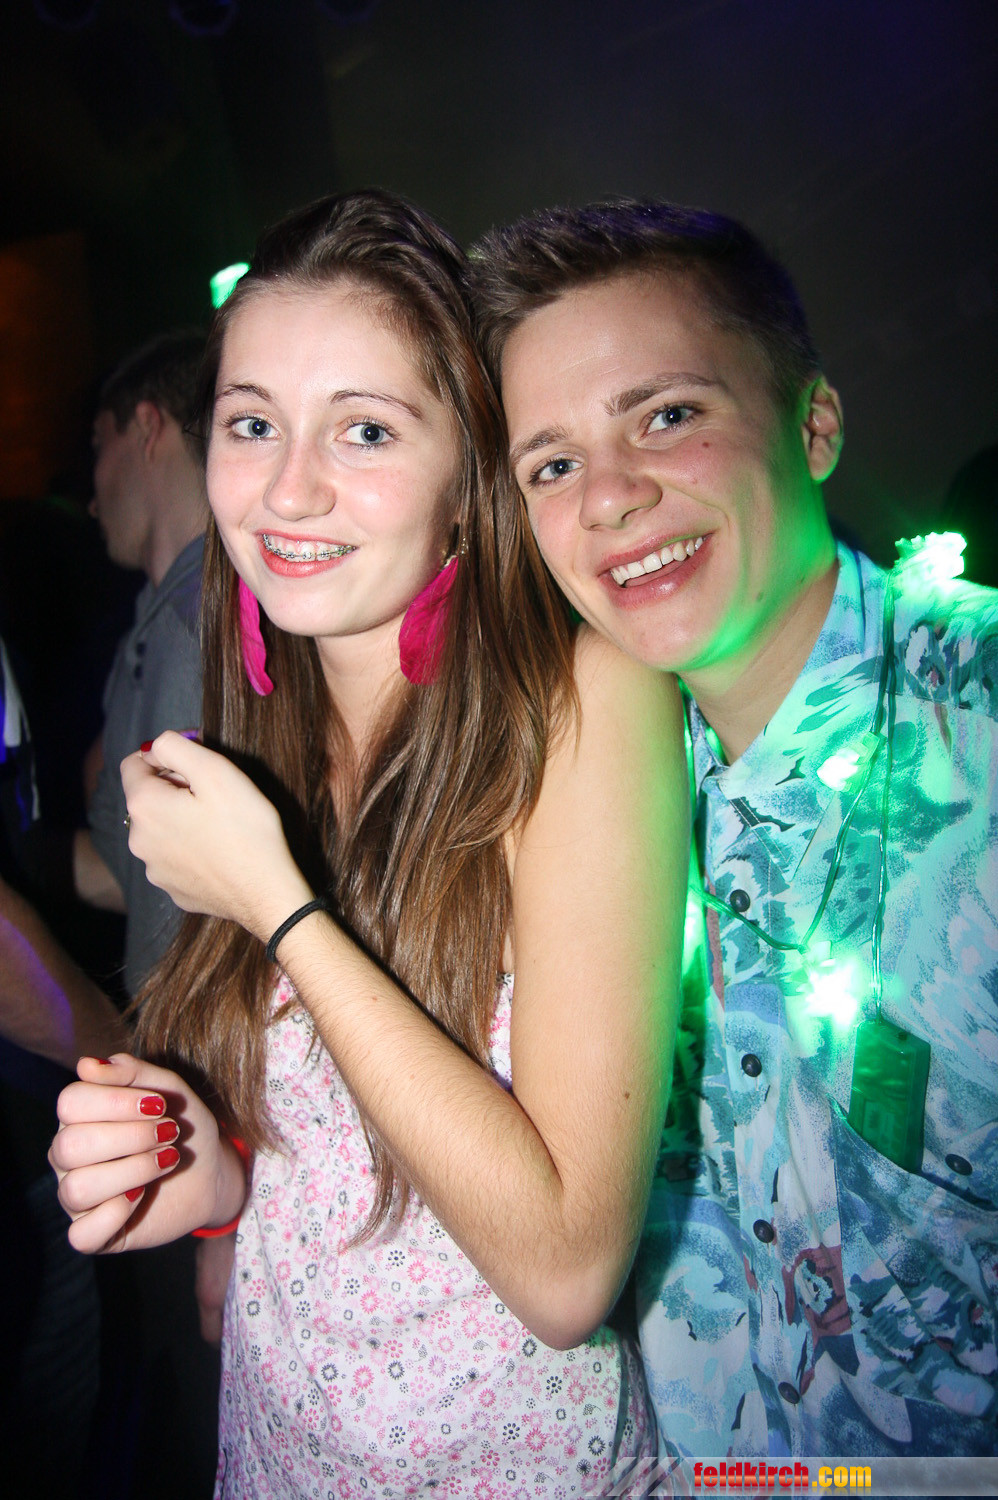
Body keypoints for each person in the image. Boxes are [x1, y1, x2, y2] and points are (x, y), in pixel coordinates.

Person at [51, 190, 689, 1497]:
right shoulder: (259, 730)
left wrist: (283, 911)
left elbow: (566, 1269)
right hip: (280, 1453)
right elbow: (333, 1149)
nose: (288, 488)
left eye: (365, 429)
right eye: (252, 424)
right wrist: (200, 1167)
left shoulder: (580, 706)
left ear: (466, 478)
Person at [470, 199, 998, 1461]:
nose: (608, 497)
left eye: (665, 416)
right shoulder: (578, 794)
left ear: (812, 425)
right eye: (550, 465)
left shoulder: (975, 724)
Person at [76, 330, 207, 998]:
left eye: (100, 444)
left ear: (148, 426)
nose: (91, 496)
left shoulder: (207, 615)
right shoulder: (156, 619)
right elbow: (138, 875)